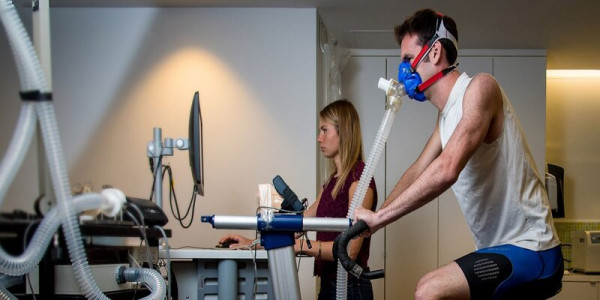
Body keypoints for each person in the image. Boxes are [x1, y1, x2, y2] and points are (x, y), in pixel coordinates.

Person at [354, 9, 563, 300]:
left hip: (534, 248)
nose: (402, 70)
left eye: (406, 59)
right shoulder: (445, 119)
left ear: (435, 51)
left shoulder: (480, 89)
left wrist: (381, 217)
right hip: (500, 251)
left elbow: (447, 168)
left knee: (429, 290)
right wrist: (376, 219)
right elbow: (418, 171)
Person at [219, 99, 378, 300]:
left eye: (324, 130)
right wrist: (251, 243)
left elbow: (350, 251)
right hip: (330, 285)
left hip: (351, 287)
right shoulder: (332, 182)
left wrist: (302, 246)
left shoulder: (360, 179)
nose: (319, 138)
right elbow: (297, 226)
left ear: (343, 131)